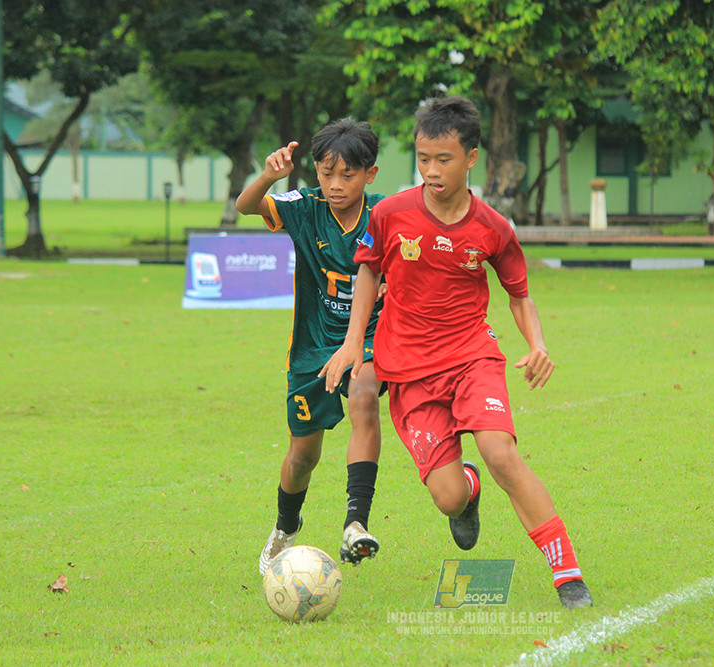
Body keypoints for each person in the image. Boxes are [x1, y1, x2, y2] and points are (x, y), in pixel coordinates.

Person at [321, 96, 592, 609]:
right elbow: (369, 270)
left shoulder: (493, 228)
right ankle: (467, 489)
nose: (430, 170)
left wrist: (537, 344)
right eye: (423, 159)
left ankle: (567, 572)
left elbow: (519, 295)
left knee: (500, 453)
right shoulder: (390, 213)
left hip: (472, 358)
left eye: (443, 159)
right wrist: (354, 340)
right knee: (449, 497)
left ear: (471, 158)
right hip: (407, 371)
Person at [235, 118, 385, 575]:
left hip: (369, 341)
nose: (335, 185)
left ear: (370, 175)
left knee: (363, 396)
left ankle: (355, 524)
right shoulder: (304, 207)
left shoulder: (385, 215)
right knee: (303, 456)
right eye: (325, 173)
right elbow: (245, 206)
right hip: (311, 348)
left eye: (348, 175)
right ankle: (285, 526)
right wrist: (267, 175)